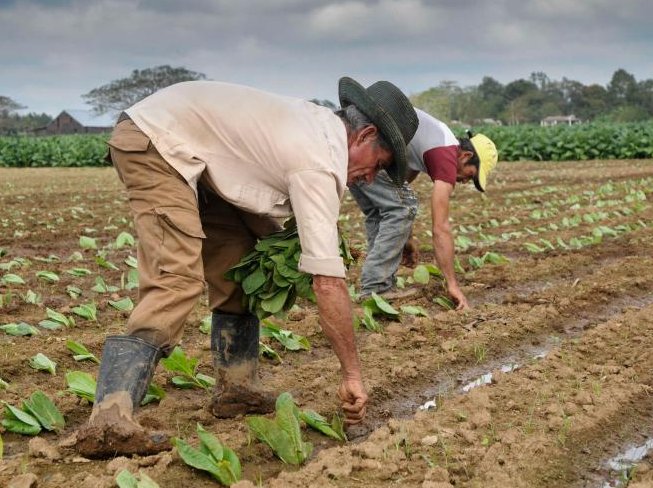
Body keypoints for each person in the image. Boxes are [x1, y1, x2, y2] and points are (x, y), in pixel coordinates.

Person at [74, 77, 418, 458]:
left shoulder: (319, 133)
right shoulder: (318, 159)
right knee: (176, 279)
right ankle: (110, 419)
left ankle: (236, 389)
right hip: (158, 141)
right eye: (380, 164)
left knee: (237, 266)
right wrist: (352, 374)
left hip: (198, 157)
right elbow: (327, 282)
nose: (370, 178)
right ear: (364, 135)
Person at [349, 108, 498, 309]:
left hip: (352, 147)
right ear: (466, 155)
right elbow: (440, 228)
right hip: (367, 150)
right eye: (471, 175)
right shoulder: (446, 153)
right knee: (404, 206)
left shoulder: (433, 144)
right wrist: (452, 284)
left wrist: (405, 238)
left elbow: (399, 187)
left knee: (383, 211)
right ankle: (377, 288)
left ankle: (373, 288)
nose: (465, 181)